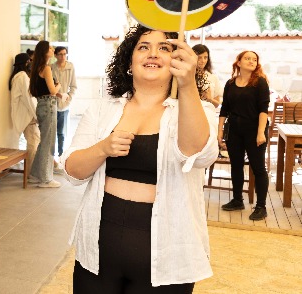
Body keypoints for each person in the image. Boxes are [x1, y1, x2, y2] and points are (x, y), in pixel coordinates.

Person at [63, 24, 219, 292]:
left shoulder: (198, 109)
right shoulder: (103, 109)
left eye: (165, 48)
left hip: (168, 254)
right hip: (99, 248)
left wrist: (187, 85)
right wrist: (103, 148)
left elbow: (198, 153)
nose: (153, 54)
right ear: (129, 62)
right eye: (143, 47)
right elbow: (73, 171)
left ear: (178, 60)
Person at [218, 50, 270, 221]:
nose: (251, 61)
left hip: (255, 130)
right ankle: (237, 200)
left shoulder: (260, 83)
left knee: (258, 168)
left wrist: (260, 132)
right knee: (236, 165)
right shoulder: (230, 84)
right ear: (238, 62)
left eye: (254, 59)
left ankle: (261, 206)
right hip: (234, 130)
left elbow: (264, 109)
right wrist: (220, 132)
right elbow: (224, 108)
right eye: (247, 58)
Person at [29, 41, 62, 188]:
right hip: (49, 106)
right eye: (50, 48)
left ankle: (35, 175)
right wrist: (59, 85)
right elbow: (52, 91)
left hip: (42, 105)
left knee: (44, 141)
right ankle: (46, 179)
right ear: (44, 51)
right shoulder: (46, 68)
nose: (53, 49)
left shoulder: (36, 68)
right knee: (49, 143)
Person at [9, 52, 39, 175]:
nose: (31, 64)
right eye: (29, 61)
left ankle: (31, 172)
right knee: (33, 144)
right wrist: (37, 116)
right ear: (26, 63)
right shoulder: (22, 77)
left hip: (27, 116)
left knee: (35, 143)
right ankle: (30, 173)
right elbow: (29, 99)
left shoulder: (19, 76)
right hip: (28, 117)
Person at [51, 46, 77, 158]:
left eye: (64, 54)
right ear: (55, 55)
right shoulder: (51, 68)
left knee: (61, 133)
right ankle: (51, 158)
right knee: (51, 133)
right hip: (51, 104)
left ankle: (61, 155)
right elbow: (49, 88)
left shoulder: (70, 67)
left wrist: (68, 100)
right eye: (60, 54)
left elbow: (74, 86)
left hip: (64, 105)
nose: (63, 56)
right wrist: (57, 95)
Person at [192, 44, 222, 108]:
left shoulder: (213, 78)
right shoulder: (187, 76)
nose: (203, 61)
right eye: (199, 57)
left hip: (208, 114)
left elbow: (217, 104)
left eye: (205, 57)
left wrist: (210, 99)